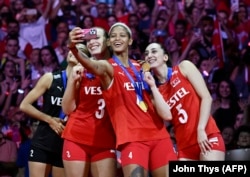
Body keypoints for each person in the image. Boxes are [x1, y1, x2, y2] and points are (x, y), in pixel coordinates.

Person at [68, 23, 177, 177]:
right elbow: (92, 65)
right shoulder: (107, 67)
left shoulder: (141, 67)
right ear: (109, 42)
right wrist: (73, 48)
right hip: (132, 140)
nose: (117, 38)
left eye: (122, 35)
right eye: (113, 36)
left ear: (130, 40)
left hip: (159, 135)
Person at [143, 42, 225, 161]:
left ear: (165, 57)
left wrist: (201, 129)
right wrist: (153, 86)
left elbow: (207, 98)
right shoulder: (155, 93)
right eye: (146, 54)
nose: (149, 55)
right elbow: (167, 115)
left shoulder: (184, 67)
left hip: (206, 135)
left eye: (154, 51)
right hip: (184, 147)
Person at [19, 44, 84, 177]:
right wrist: (49, 119)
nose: (74, 52)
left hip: (66, 143)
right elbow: (24, 105)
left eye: (81, 51)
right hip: (43, 140)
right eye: (72, 49)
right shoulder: (50, 78)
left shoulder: (85, 85)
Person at [61, 27, 117, 177]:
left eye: (97, 38)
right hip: (77, 136)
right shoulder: (80, 69)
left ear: (108, 41)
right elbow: (67, 109)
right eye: (89, 39)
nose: (92, 42)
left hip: (106, 139)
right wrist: (72, 80)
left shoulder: (118, 68)